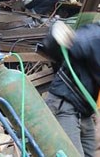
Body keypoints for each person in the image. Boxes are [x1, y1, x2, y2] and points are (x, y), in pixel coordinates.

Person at [39, 19, 99, 156]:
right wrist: (56, 34)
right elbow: (54, 46)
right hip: (64, 106)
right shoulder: (94, 36)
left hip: (84, 113)